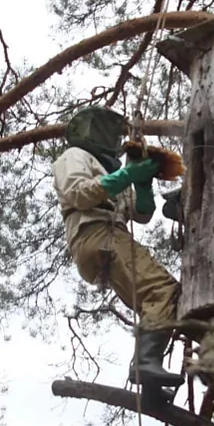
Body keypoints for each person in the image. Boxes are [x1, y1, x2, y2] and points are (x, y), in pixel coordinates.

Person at [53, 106, 184, 398]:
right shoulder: (74, 157)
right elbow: (78, 193)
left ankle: (150, 384)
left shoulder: (110, 169)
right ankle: (145, 363)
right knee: (162, 289)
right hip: (98, 233)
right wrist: (127, 175)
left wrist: (142, 184)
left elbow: (142, 214)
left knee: (153, 301)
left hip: (107, 237)